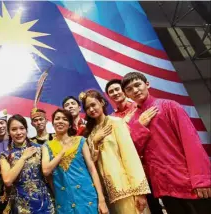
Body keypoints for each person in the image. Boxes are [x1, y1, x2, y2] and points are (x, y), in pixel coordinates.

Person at [121, 72, 211, 214]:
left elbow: (192, 143)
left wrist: (202, 179)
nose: (135, 90)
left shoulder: (169, 106)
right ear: (127, 95)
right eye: (129, 89)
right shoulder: (133, 121)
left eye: (137, 85)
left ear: (147, 84)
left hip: (189, 183)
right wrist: (140, 126)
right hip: (164, 187)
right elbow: (133, 153)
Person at [80, 89, 151, 214]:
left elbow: (130, 156)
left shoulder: (116, 123)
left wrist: (140, 192)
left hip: (127, 188)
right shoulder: (91, 133)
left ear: (102, 102)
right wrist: (95, 142)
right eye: (87, 108)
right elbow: (92, 163)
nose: (91, 109)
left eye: (93, 105)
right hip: (108, 193)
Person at [105, 79, 163, 214]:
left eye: (117, 89)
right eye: (111, 92)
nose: (115, 93)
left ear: (124, 91)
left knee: (159, 204)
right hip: (132, 170)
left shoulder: (138, 108)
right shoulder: (111, 118)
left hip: (150, 164)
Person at [42, 108, 108, 214]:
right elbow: (46, 171)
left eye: (64, 119)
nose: (60, 121)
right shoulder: (47, 146)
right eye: (57, 118)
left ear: (69, 124)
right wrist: (62, 152)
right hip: (64, 199)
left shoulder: (80, 140)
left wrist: (101, 199)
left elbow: (92, 169)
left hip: (87, 195)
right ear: (53, 123)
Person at [0, 114, 55, 214]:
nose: (19, 132)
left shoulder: (40, 148)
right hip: (21, 206)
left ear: (26, 129)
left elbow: (49, 176)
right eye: (14, 129)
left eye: (22, 128)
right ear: (8, 132)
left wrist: (57, 196)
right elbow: (7, 180)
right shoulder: (5, 155)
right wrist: (23, 157)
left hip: (44, 202)